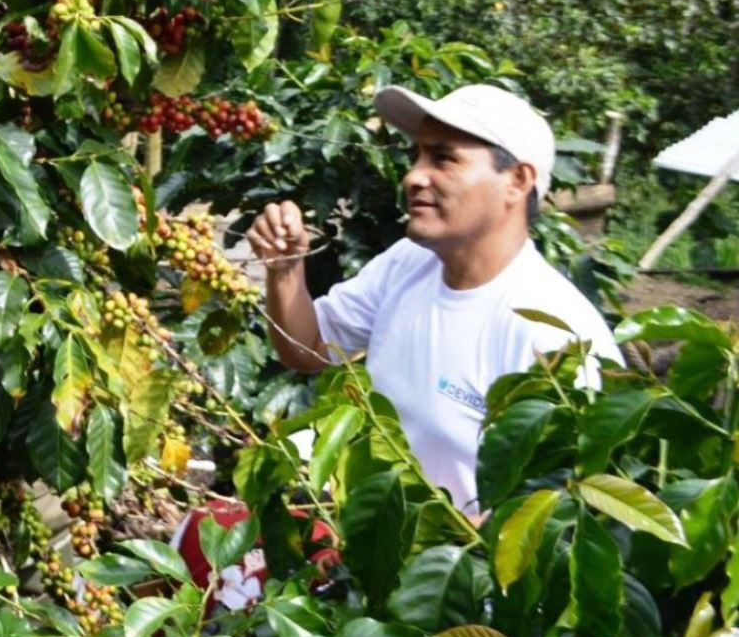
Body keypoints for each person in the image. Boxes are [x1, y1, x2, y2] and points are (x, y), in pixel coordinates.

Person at [247, 83, 621, 515]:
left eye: (444, 158)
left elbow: (568, 508)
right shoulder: (409, 263)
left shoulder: (556, 333)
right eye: (418, 156)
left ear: (517, 181)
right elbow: (308, 348)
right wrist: (285, 268)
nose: (413, 176)